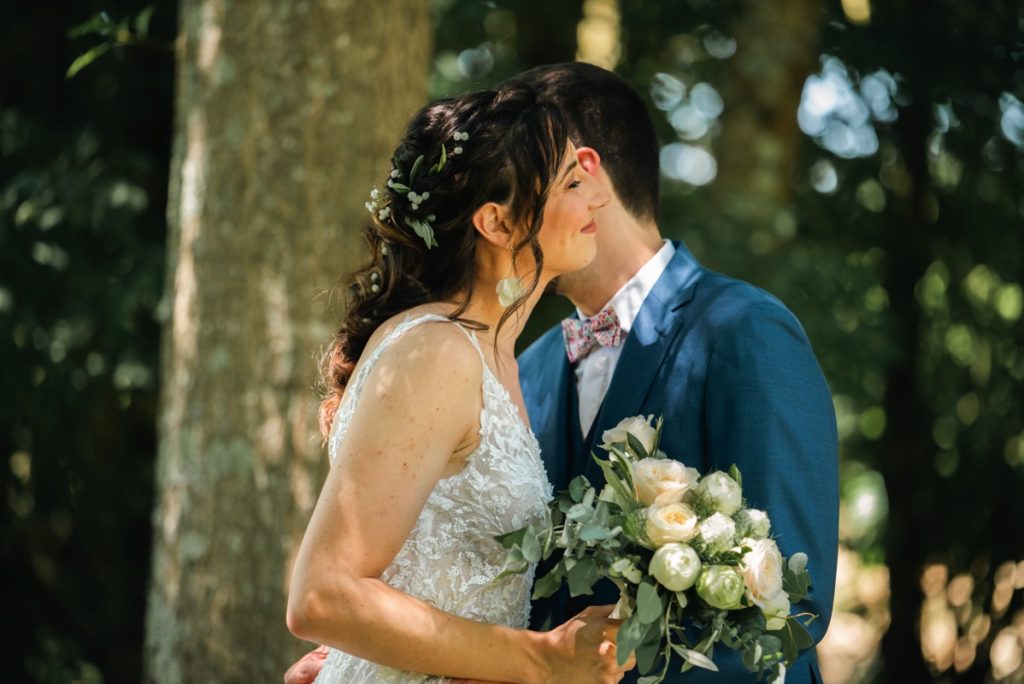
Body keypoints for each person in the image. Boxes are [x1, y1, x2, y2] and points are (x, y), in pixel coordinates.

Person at [289, 63, 839, 684]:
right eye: (567, 180)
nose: (588, 196)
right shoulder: (519, 362)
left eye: (581, 175)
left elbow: (784, 609)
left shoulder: (745, 333)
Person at [286, 82, 634, 684]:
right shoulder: (438, 351)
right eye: (571, 185)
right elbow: (322, 595)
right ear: (497, 222)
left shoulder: (492, 353)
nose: (596, 200)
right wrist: (542, 661)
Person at [511, 63, 839, 684]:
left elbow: (789, 609)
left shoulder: (747, 332)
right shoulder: (530, 368)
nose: (498, 211)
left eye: (514, 180)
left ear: (585, 176)